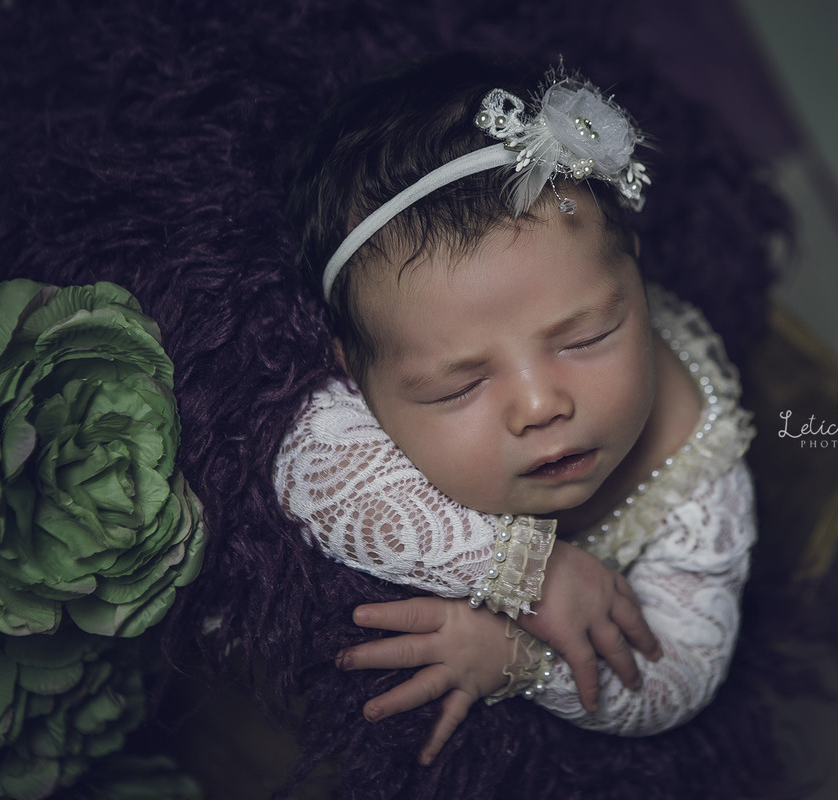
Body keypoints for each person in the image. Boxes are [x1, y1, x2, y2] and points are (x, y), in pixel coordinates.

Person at [274, 52, 758, 767]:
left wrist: (522, 658)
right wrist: (528, 573)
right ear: (355, 372)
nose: (539, 405)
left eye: (586, 338)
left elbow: (681, 673)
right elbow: (306, 464)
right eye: (458, 388)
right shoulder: (366, 378)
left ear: (636, 272)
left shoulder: (699, 469)